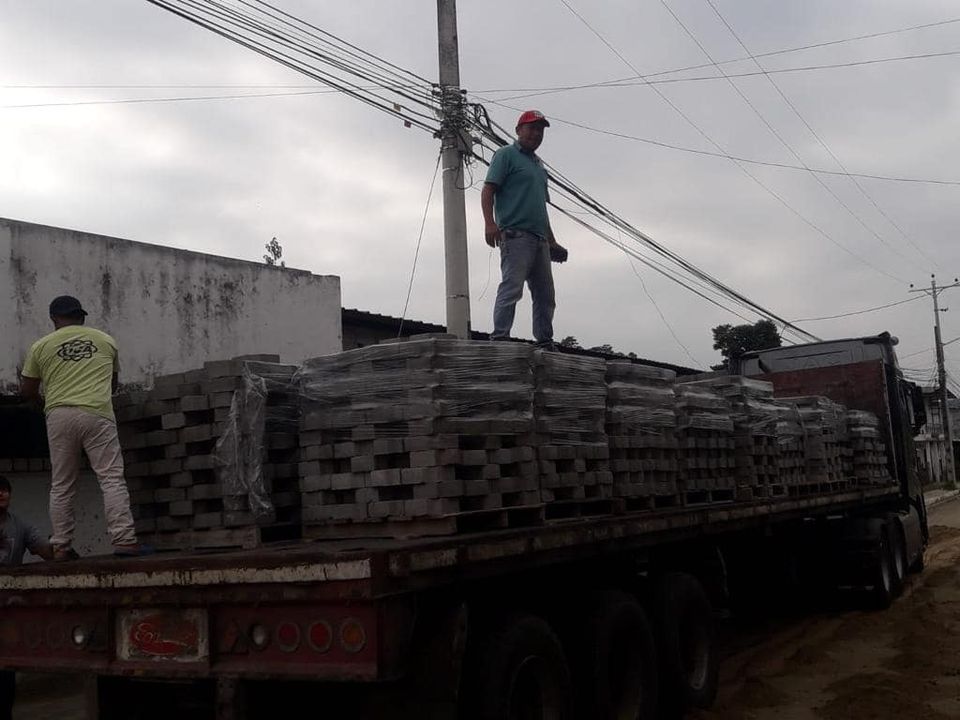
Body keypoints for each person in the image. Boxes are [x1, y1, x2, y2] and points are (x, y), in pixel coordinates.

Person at [19, 296, 148, 559]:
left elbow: (27, 390)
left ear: (54, 319)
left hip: (59, 415)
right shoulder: (106, 340)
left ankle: (61, 546)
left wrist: (45, 403)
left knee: (62, 484)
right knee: (111, 478)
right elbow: (112, 384)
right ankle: (124, 541)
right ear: (81, 316)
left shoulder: (40, 346)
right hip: (97, 413)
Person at [481, 109, 568, 350]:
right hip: (515, 234)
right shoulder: (505, 155)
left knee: (545, 295)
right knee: (512, 287)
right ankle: (500, 338)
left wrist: (552, 241)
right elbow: (488, 190)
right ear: (519, 130)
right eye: (531, 128)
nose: (536, 134)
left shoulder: (539, 167)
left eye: (540, 130)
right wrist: (490, 223)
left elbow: (540, 208)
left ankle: (545, 342)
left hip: (540, 239)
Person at [0, 475, 53, 720]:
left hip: (7, 612)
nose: (1, 494)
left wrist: (61, 548)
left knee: (5, 674)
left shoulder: (19, 525)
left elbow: (44, 549)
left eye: (4, 490)